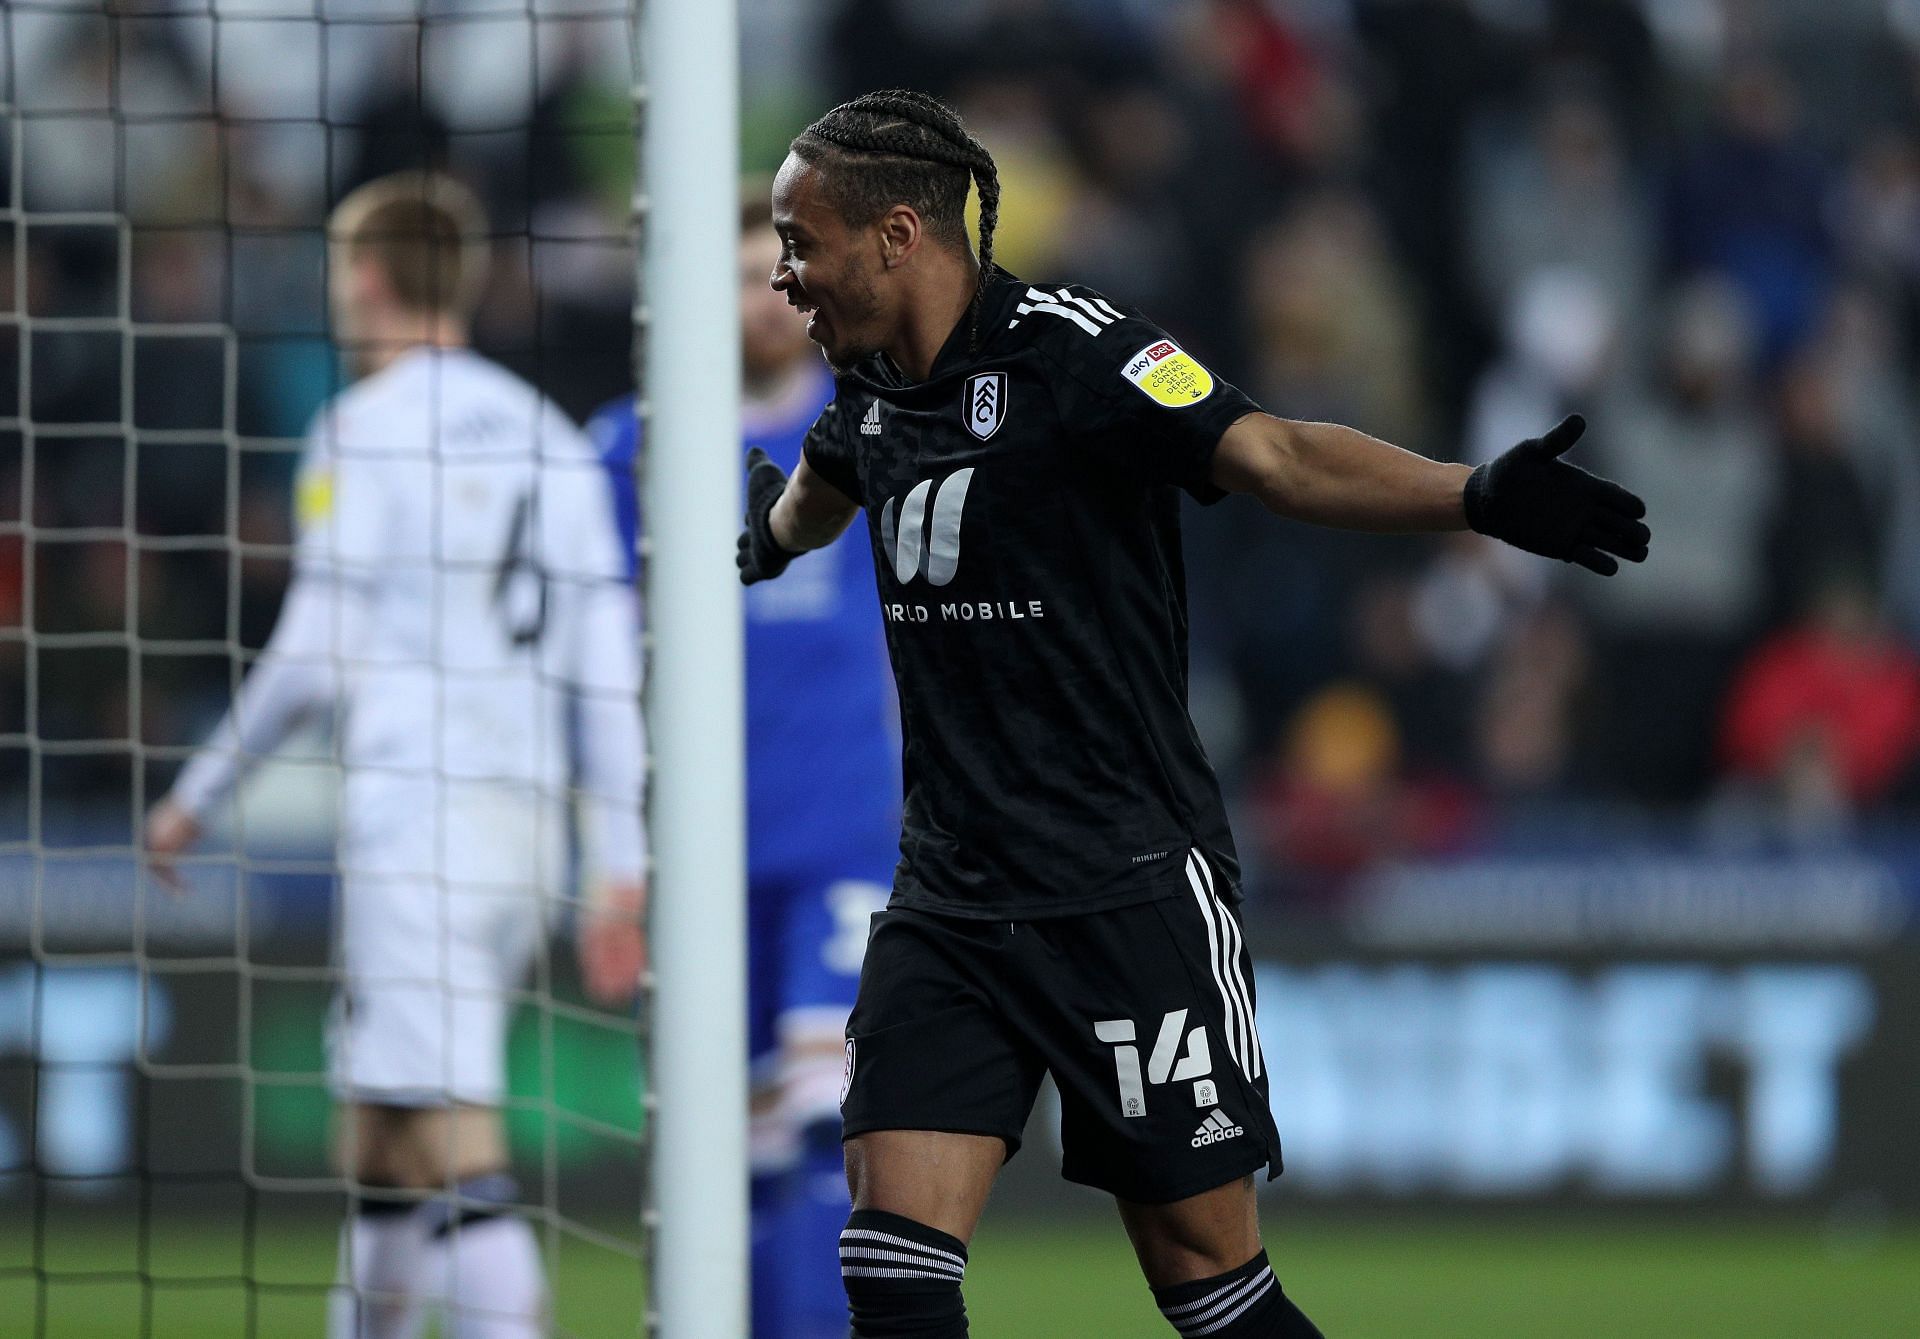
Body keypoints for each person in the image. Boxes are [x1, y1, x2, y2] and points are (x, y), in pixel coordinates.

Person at [735, 90, 1650, 1339]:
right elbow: (829, 482)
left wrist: (1477, 494)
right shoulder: (874, 388)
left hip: (1124, 886)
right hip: (949, 895)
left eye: (803, 241)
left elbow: (1275, 456)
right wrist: (772, 536)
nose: (788, 277)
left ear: (897, 234)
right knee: (892, 1268)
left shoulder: (1079, 351)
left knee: (1211, 1288)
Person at [143, 171, 648, 1339]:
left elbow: (316, 650)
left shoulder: (361, 429)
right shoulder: (551, 437)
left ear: (364, 276)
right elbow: (604, 665)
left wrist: (198, 791)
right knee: (375, 1130)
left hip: (421, 821)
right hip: (525, 831)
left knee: (452, 1136)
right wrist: (612, 856)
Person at [587, 191, 900, 1339]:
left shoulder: (883, 426)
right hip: (695, 867)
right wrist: (608, 856)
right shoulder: (628, 448)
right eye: (734, 278)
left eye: (781, 276)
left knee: (830, 1136)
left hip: (842, 845)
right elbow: (589, 667)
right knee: (735, 1166)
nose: (764, 303)